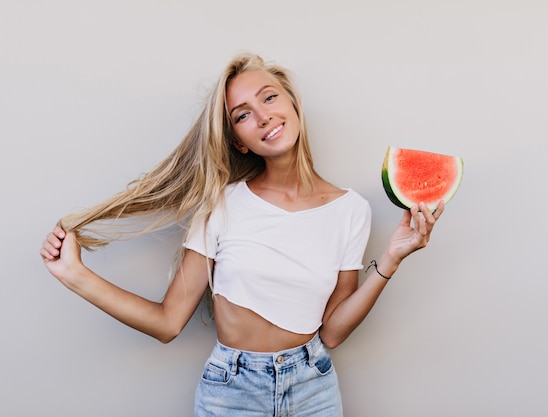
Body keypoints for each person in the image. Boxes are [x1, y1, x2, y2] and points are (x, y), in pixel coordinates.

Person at [40, 53, 445, 417]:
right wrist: (75, 275)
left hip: (314, 386)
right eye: (243, 114)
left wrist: (391, 259)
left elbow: (333, 332)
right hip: (232, 392)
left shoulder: (351, 209)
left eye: (269, 98)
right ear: (239, 141)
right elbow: (166, 323)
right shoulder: (220, 204)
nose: (263, 116)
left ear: (292, 103)